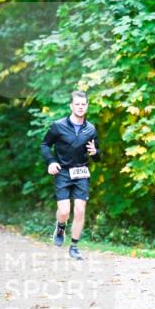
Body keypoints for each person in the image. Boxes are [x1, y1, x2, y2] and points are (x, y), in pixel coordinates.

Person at [41, 91, 100, 260]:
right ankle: (60, 227)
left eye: (83, 104)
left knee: (80, 210)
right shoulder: (58, 126)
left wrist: (96, 152)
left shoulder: (90, 129)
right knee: (65, 211)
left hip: (82, 172)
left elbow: (96, 155)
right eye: (77, 104)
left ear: (87, 106)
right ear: (71, 106)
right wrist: (51, 161)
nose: (80, 107)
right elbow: (45, 144)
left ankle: (74, 246)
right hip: (63, 172)